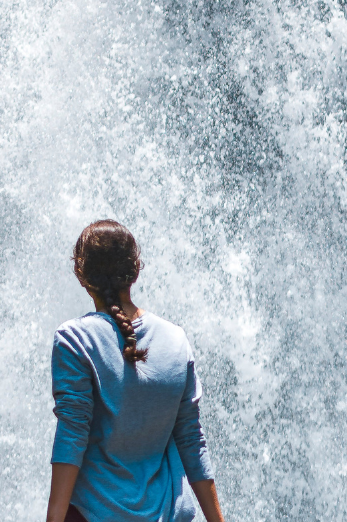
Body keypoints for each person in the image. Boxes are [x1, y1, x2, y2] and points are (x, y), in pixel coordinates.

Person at [46, 220, 228, 522]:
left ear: (81, 274)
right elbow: (191, 440)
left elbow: (72, 435)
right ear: (135, 269)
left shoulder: (75, 339)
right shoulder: (175, 339)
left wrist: (53, 518)